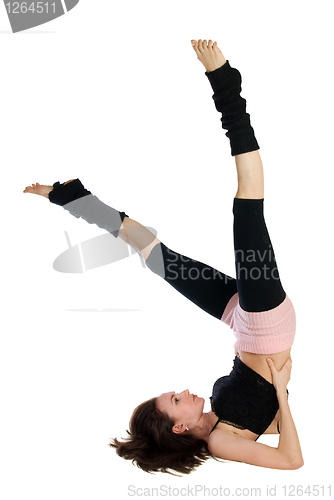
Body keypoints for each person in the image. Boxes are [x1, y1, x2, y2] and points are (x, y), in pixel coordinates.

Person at [23, 40, 303, 474]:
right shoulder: (223, 443)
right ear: (178, 428)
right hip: (267, 324)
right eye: (176, 401)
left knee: (157, 259)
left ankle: (75, 196)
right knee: (247, 206)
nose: (183, 392)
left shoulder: (217, 422)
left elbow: (268, 425)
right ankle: (226, 85)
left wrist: (275, 399)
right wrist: (282, 391)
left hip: (241, 321)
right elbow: (292, 459)